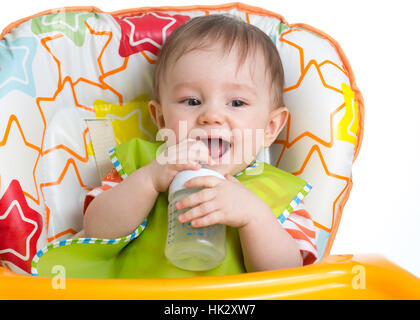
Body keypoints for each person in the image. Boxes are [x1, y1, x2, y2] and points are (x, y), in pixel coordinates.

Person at [82, 14, 318, 276]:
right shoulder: (143, 166)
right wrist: (149, 180)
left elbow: (288, 278)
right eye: (192, 101)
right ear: (161, 118)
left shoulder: (279, 195)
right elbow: (95, 230)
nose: (211, 116)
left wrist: (255, 217)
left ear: (270, 128)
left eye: (237, 103)